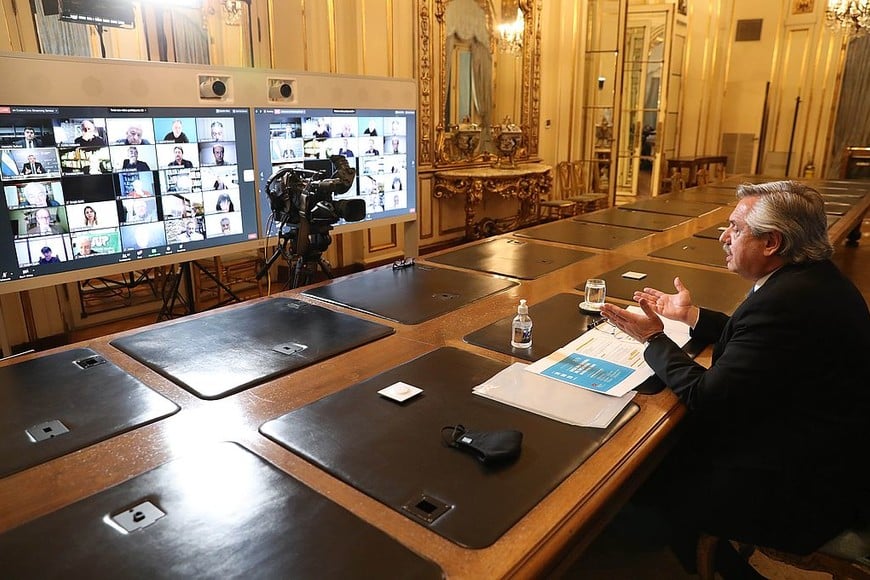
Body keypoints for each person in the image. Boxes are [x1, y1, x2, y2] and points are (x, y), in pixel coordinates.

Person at [599, 181, 870, 571]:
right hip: (824, 449)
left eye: (736, 229)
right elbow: (755, 336)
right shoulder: (810, 280)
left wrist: (653, 338)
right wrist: (689, 316)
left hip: (799, 485)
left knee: (639, 477)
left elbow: (706, 397)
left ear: (771, 242)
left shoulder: (785, 303)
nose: (724, 237)